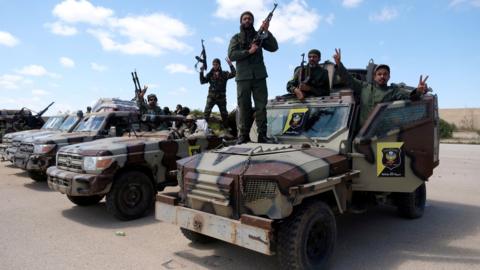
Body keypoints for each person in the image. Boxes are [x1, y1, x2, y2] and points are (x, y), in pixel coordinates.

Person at [332, 48, 429, 129]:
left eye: (385, 74)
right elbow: (348, 79)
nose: (382, 76)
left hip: (380, 133)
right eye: (379, 74)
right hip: (362, 132)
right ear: (374, 77)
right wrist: (339, 64)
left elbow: (410, 96)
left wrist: (418, 91)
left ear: (389, 77)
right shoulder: (364, 87)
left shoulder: (393, 91)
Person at [228, 10, 278, 144]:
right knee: (244, 106)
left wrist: (267, 32)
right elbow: (232, 55)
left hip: (259, 76)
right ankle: (243, 136)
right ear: (241, 21)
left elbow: (274, 47)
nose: (247, 21)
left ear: (253, 21)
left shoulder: (260, 36)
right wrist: (248, 51)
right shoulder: (236, 38)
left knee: (261, 107)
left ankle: (262, 135)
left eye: (249, 19)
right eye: (244, 19)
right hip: (243, 77)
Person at [200, 58, 236, 129]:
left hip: (221, 98)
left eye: (216, 64)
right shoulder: (210, 74)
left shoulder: (224, 74)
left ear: (219, 65)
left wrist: (230, 64)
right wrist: (201, 72)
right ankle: (202, 129)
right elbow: (202, 81)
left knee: (224, 115)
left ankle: (226, 130)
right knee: (206, 114)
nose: (214, 66)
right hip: (211, 97)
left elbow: (234, 73)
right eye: (213, 65)